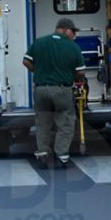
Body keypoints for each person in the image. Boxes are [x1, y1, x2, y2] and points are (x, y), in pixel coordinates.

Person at [22, 17, 86, 169]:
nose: (74, 36)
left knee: (42, 123)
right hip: (62, 90)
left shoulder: (39, 42)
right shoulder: (73, 47)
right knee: (65, 122)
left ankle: (43, 155)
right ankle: (62, 156)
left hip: (40, 89)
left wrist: (38, 72)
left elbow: (26, 61)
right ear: (64, 30)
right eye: (73, 32)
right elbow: (81, 72)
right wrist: (72, 77)